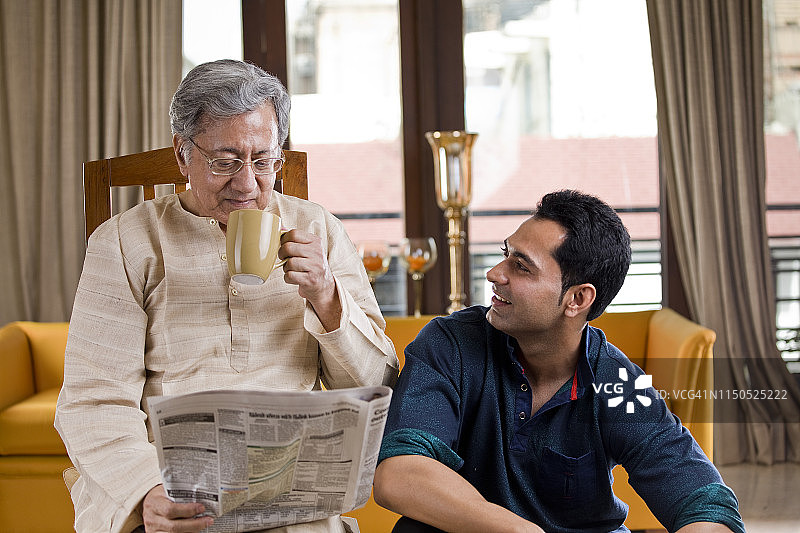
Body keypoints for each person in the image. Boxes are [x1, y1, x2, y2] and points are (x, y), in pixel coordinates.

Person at [55, 59, 398, 533]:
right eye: (224, 162)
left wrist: (327, 296)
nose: (247, 184)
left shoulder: (317, 228)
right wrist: (147, 491)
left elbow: (376, 385)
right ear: (182, 155)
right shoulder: (125, 241)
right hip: (169, 481)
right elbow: (94, 401)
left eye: (263, 161)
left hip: (289, 484)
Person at [373, 190, 744, 533]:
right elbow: (399, 473)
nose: (494, 274)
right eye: (506, 254)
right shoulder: (449, 344)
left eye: (521, 266)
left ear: (577, 299)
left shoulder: (617, 383)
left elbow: (705, 503)